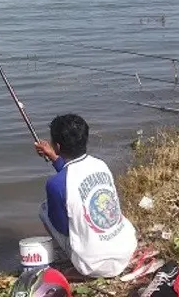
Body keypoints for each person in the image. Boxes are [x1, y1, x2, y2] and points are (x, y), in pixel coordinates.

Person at [34, 114, 137, 278]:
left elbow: (62, 228)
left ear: (58, 146)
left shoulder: (54, 184)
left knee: (44, 209)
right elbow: (73, 175)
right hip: (126, 251)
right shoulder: (100, 164)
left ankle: (72, 258)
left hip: (93, 267)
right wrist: (54, 158)